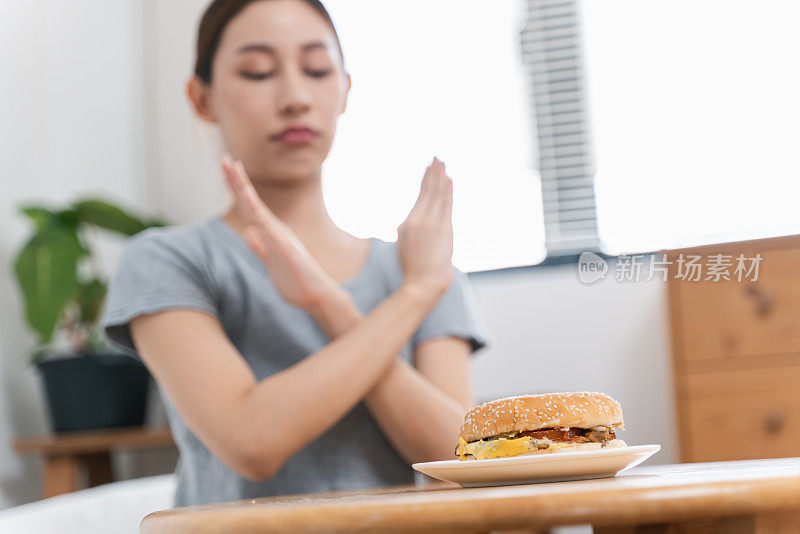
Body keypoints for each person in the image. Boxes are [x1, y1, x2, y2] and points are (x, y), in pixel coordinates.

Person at [101, 0, 493, 507]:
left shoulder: (424, 271)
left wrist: (350, 303)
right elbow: (252, 442)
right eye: (258, 71)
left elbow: (456, 464)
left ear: (345, 90)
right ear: (202, 99)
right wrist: (410, 298)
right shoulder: (167, 262)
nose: (295, 97)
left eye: (316, 69)